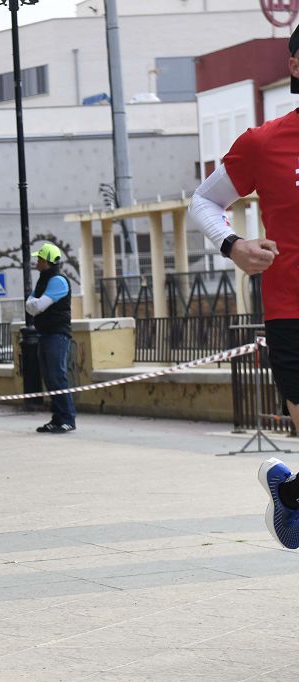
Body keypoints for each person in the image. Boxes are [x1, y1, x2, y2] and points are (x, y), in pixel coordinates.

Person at [188, 28, 299, 550]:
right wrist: (232, 245)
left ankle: (292, 494)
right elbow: (204, 201)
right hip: (291, 311)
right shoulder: (264, 141)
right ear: (295, 66)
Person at [25, 243, 76, 434]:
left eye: (39, 259)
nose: (37, 262)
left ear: (47, 261)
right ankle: (57, 418)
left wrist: (34, 304)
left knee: (57, 376)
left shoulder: (58, 281)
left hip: (57, 335)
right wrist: (33, 304)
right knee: (50, 379)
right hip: (45, 334)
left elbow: (36, 307)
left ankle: (67, 419)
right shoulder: (43, 280)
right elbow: (29, 304)